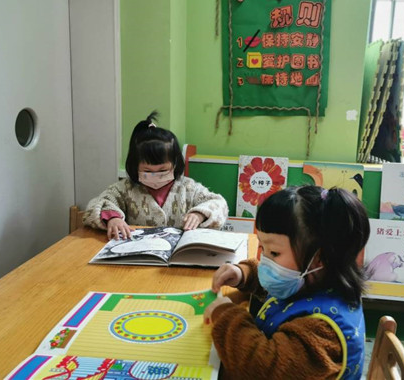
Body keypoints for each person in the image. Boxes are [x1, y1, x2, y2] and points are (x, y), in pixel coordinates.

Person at [204, 186, 370, 380]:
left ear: (319, 258)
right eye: (262, 248)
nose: (264, 260)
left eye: (274, 253)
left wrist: (226, 316)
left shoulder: (323, 331)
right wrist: (244, 274)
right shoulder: (313, 280)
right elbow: (278, 286)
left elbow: (262, 369)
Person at [83, 111, 228, 239]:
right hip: (138, 253)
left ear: (175, 164)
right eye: (147, 171)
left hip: (178, 255)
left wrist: (199, 214)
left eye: (163, 170)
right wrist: (113, 219)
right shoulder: (125, 189)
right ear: (135, 166)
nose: (156, 175)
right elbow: (95, 206)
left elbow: (219, 204)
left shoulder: (188, 187)